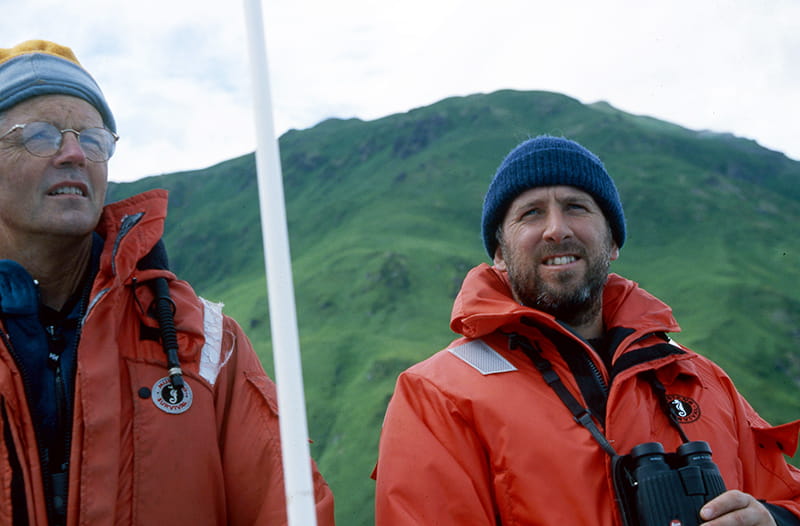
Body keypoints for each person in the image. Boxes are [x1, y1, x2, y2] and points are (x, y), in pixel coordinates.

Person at [373, 135, 800, 525]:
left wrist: (771, 522)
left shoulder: (704, 381)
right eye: (531, 213)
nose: (557, 228)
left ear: (612, 243)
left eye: (576, 206)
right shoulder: (436, 397)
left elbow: (789, 498)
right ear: (500, 254)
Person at [0, 40, 334, 525]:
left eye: (93, 138)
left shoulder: (205, 341)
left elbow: (286, 508)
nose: (74, 153)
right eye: (43, 135)